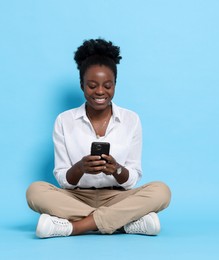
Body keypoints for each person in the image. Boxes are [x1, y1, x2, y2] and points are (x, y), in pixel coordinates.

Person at [26, 38, 171, 238]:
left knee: (161, 191)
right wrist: (80, 168)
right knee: (35, 191)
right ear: (82, 85)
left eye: (108, 85)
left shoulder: (131, 119)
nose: (100, 92)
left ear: (115, 85)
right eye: (92, 85)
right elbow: (62, 178)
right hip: (76, 197)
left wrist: (117, 170)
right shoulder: (64, 120)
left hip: (117, 197)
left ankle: (75, 227)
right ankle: (126, 223)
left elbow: (133, 178)